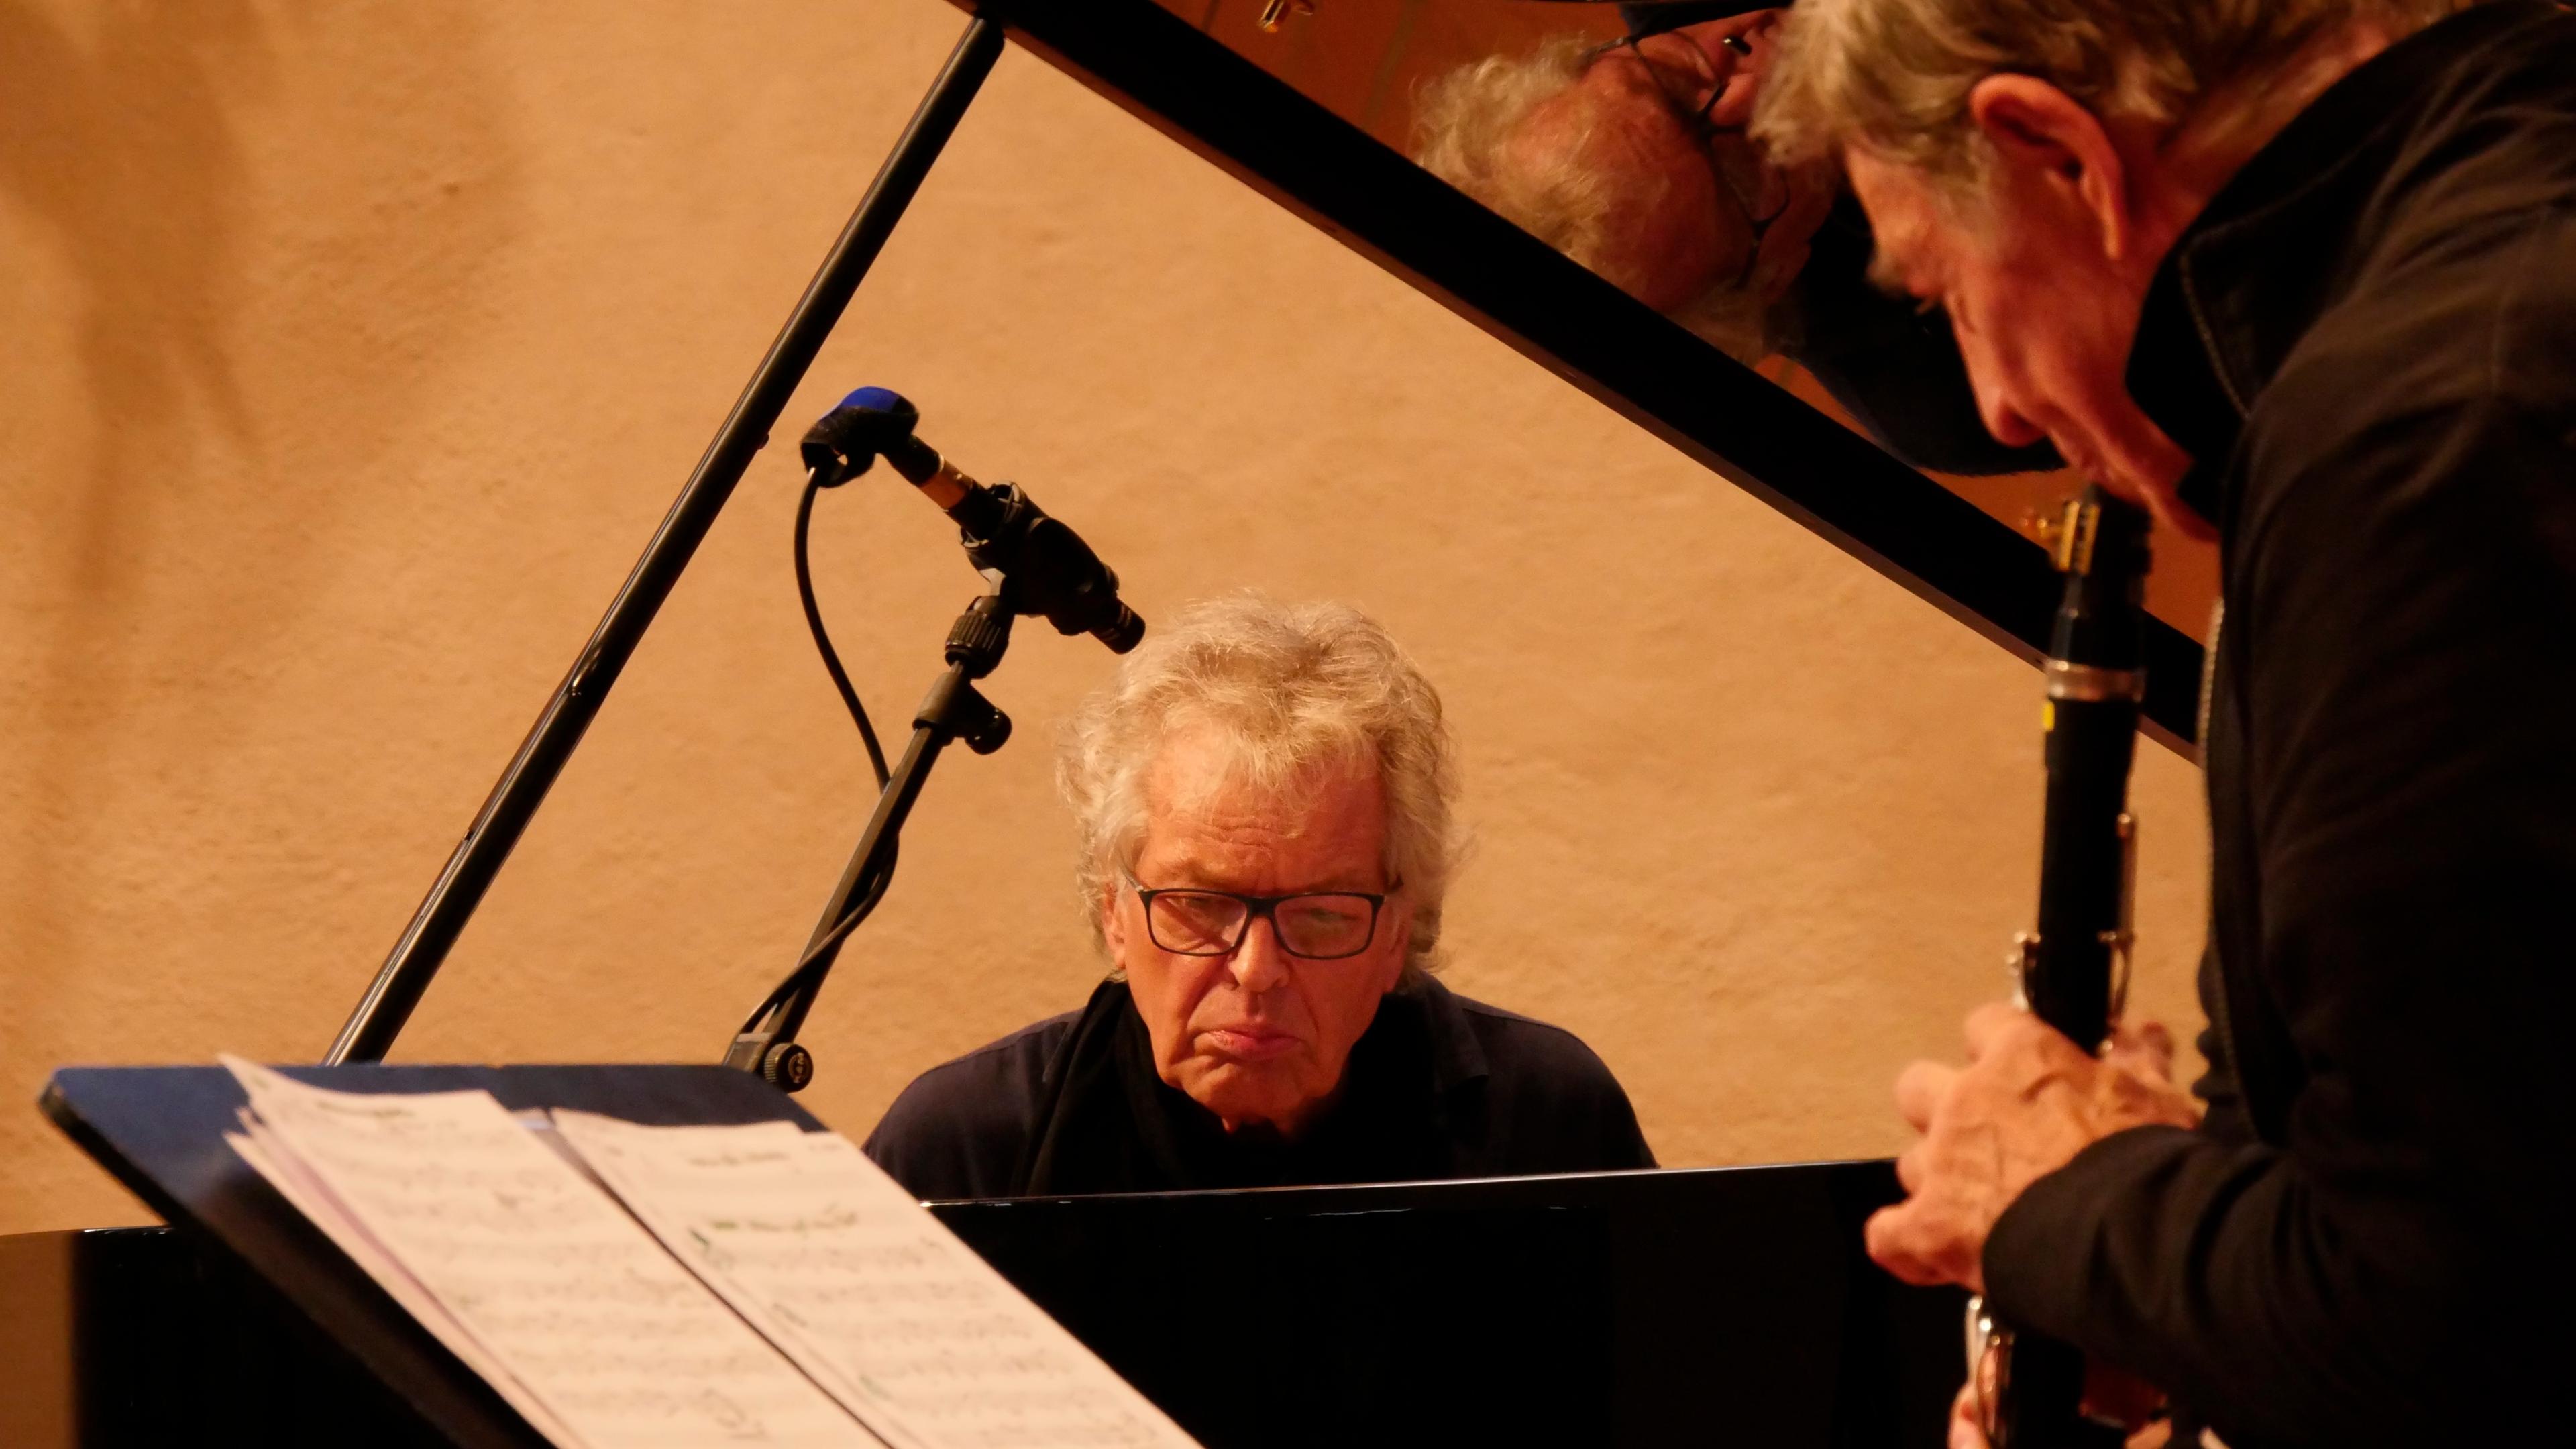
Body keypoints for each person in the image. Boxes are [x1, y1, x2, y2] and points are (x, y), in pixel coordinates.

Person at [1752, 1, 2576, 1444]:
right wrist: (2187, 1288)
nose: (2001, 412)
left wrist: (2059, 1192)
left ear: (2057, 153)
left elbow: (2450, 1330)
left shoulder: (2417, 441)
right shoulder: (2510, 221)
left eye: (1950, 296)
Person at [863, 594, 1655, 1199]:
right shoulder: (966, 1150)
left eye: (1323, 914)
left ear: (1398, 932)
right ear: (1114, 911)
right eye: (1202, 905)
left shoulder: (1547, 1125)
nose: (1256, 970)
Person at [1415, 3, 2058, 475]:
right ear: (1772, 276)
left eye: (1671, 84)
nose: (1752, 90)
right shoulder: (1952, 384)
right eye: (1746, 172)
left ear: (1597, 57)